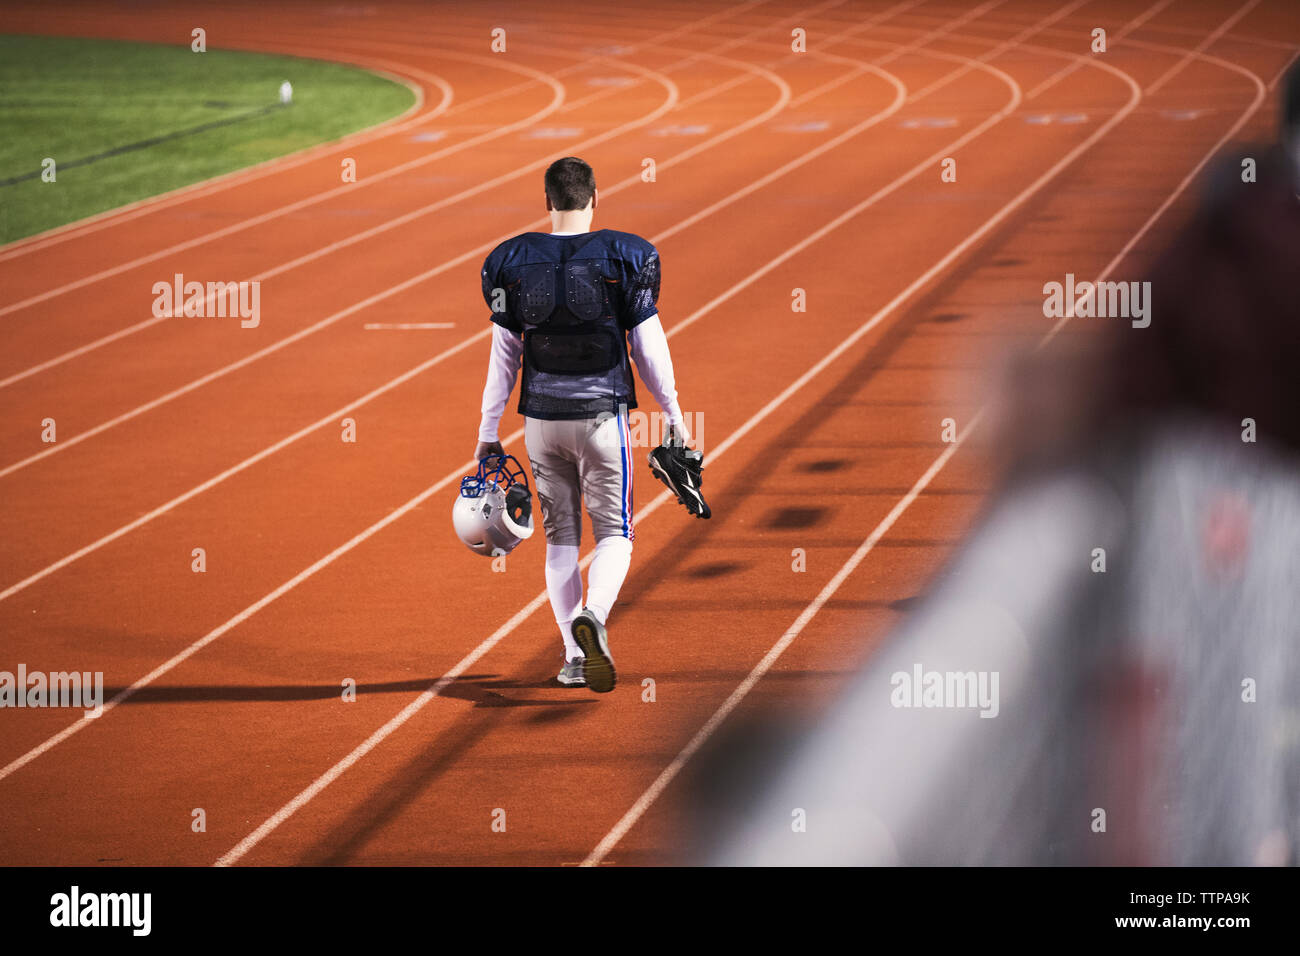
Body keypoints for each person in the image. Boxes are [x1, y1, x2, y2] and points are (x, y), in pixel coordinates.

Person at [474, 156, 704, 693]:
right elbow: (649, 349)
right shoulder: (628, 256)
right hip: (603, 419)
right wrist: (673, 416)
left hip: (540, 425)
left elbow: (502, 361)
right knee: (615, 535)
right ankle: (593, 616)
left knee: (561, 542)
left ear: (547, 203)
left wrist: (488, 433)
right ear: (596, 198)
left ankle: (574, 656)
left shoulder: (509, 261)